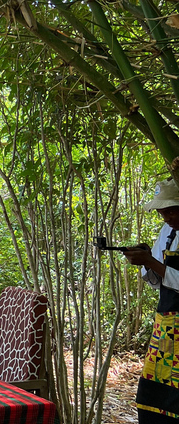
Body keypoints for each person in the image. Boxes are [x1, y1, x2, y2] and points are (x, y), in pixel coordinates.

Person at [123, 179, 179, 423]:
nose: (165, 217)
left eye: (170, 210)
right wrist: (144, 260)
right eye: (161, 212)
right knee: (155, 394)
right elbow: (157, 280)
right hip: (166, 324)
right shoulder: (167, 231)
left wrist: (151, 261)